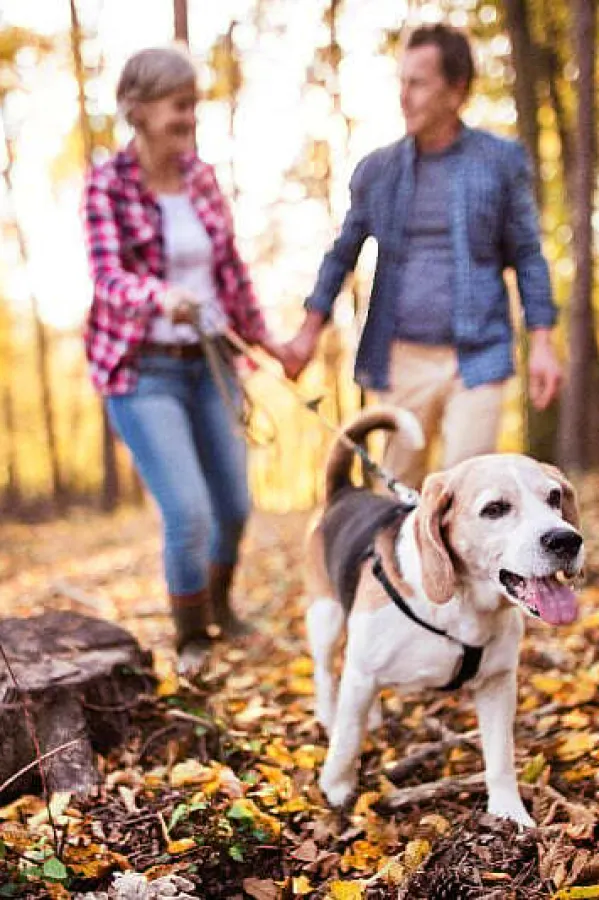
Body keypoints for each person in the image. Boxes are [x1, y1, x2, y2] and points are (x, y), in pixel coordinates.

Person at [284, 23, 561, 488]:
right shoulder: (377, 171)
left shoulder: (500, 162)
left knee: (469, 489)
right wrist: (307, 334)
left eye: (417, 83)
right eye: (401, 82)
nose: (404, 96)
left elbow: (529, 256)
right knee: (398, 494)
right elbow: (341, 255)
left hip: (478, 357)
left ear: (456, 90)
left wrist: (544, 346)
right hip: (401, 358)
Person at [83, 46, 287, 673]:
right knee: (188, 512)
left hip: (213, 364)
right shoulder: (106, 183)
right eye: (178, 105)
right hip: (142, 371)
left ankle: (221, 607)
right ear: (139, 110)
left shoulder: (201, 178)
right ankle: (192, 637)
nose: (189, 118)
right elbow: (107, 278)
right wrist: (158, 296)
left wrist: (269, 342)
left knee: (234, 507)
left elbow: (231, 272)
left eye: (193, 105)